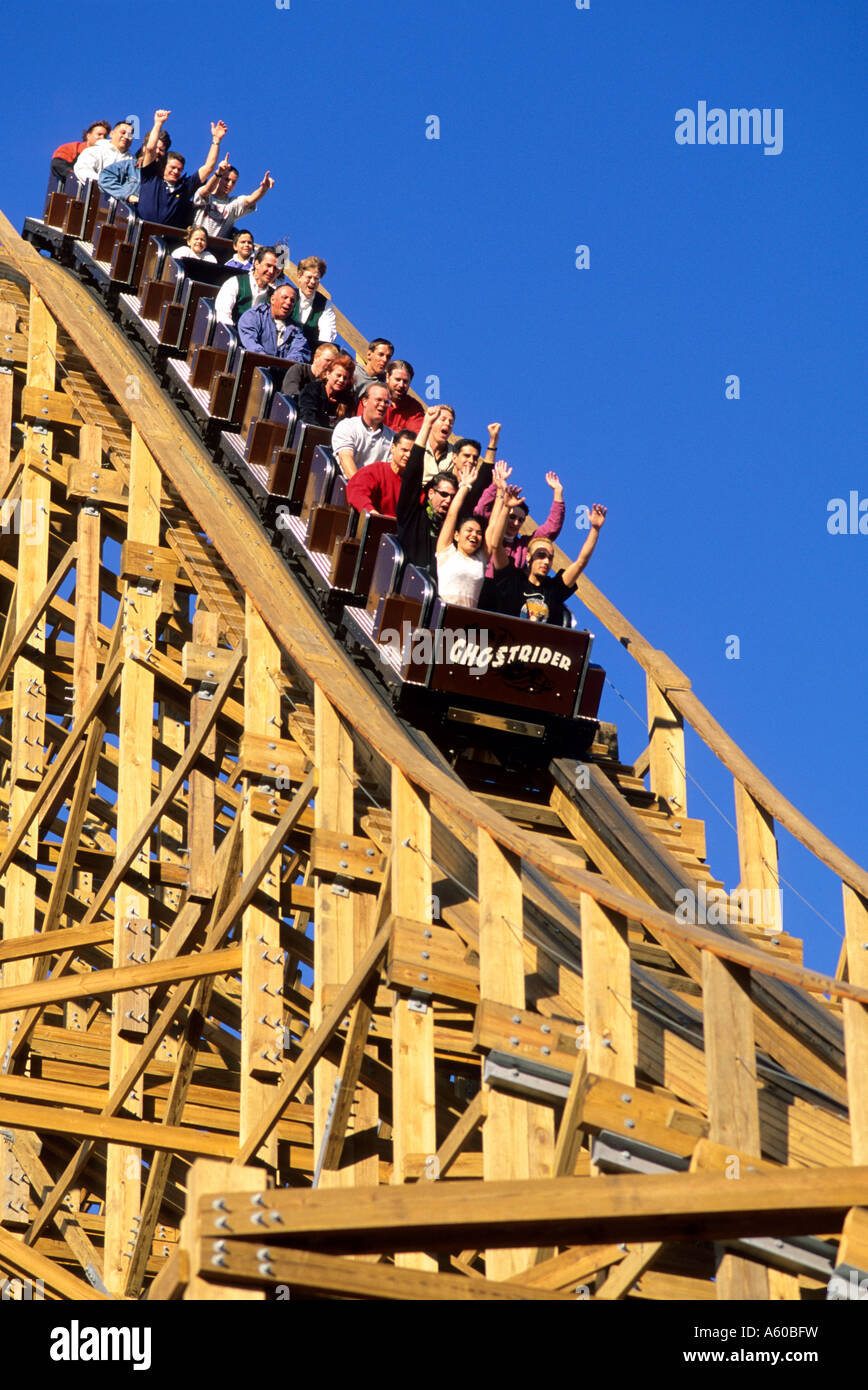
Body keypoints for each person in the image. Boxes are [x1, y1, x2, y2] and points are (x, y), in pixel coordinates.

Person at [490, 505, 607, 626]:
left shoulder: (553, 589)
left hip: (537, 643)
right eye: (541, 555)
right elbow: (496, 545)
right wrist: (506, 508)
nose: (546, 561)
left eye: (550, 558)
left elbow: (581, 562)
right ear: (528, 557)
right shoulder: (512, 579)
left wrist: (595, 529)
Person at [436, 460, 514, 608]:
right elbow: (452, 515)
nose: (474, 535)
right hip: (442, 614)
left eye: (478, 533)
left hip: (467, 622)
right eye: (469, 530)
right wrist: (465, 486)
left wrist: (500, 491)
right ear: (457, 535)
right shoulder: (446, 552)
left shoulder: (480, 558)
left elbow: (492, 526)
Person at [136, 109, 228, 227]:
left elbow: (208, 168)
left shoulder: (184, 188)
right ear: (164, 166)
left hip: (165, 240)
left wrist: (216, 141)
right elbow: (150, 150)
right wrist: (158, 123)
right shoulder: (150, 178)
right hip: (140, 232)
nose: (175, 171)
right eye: (173, 167)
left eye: (179, 169)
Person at [475, 468, 565, 577]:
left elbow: (552, 528)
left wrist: (558, 494)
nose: (516, 523)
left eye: (520, 520)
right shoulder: (485, 530)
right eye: (512, 517)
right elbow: (481, 511)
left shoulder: (522, 546)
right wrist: (496, 486)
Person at [194, 160, 274, 238]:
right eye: (227, 180)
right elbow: (206, 190)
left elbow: (250, 200)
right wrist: (218, 173)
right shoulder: (207, 195)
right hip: (195, 243)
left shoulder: (232, 203)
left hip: (214, 249)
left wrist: (264, 188)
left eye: (233, 182)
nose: (229, 184)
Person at [345, 430, 416, 517]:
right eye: (404, 450)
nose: (408, 455)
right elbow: (356, 493)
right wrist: (372, 514)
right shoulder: (375, 471)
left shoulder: (414, 482)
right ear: (393, 448)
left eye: (412, 452)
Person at [332, 383, 394, 478]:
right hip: (349, 487)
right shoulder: (347, 426)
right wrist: (360, 488)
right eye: (378, 400)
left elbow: (390, 473)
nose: (382, 405)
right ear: (365, 401)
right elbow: (346, 458)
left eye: (386, 402)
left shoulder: (392, 437)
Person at [237, 284, 310, 361]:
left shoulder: (296, 330)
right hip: (253, 365)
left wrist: (285, 365)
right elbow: (250, 343)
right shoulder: (254, 316)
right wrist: (265, 360)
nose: (288, 302)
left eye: (292, 300)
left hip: (282, 371)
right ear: (272, 299)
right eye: (285, 298)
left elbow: (300, 351)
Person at [214, 246, 280, 325]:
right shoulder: (235, 283)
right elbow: (223, 316)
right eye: (268, 265)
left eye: (275, 268)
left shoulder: (274, 296)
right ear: (257, 264)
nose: (271, 271)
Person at [291, 256, 337, 351]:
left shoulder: (324, 304)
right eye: (309, 277)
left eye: (316, 279)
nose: (312, 282)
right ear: (299, 277)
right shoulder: (289, 295)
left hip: (309, 353)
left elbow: (327, 334)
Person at [297, 352, 355, 427]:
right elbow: (307, 417)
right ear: (328, 374)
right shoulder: (312, 389)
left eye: (345, 378)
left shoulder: (347, 401)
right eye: (338, 375)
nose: (341, 380)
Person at [382, 360, 423, 433]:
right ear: (387, 377)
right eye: (397, 379)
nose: (401, 385)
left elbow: (416, 436)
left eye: (405, 381)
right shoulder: (374, 398)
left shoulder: (414, 408)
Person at [421, 403, 455, 482]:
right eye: (443, 419)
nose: (447, 423)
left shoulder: (454, 455)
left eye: (451, 422)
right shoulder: (417, 445)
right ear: (432, 422)